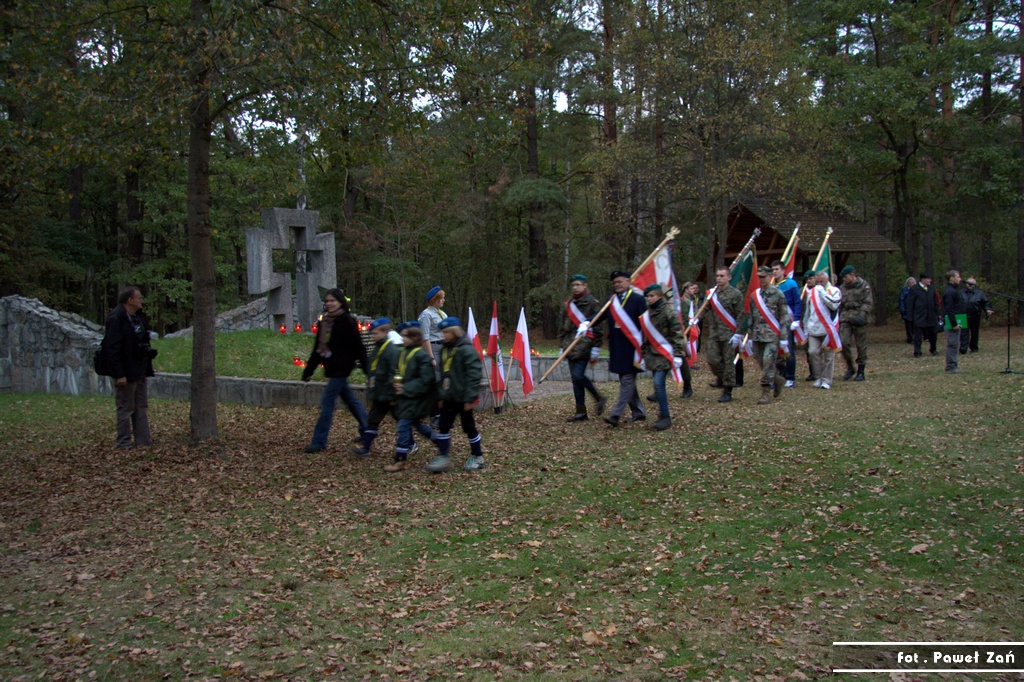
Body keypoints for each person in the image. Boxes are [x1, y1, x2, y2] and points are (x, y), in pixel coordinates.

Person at [301, 289, 369, 453]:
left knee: (327, 404)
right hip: (331, 368)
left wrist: (368, 370)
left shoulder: (347, 321)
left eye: (333, 301)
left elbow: (358, 347)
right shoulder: (325, 322)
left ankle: (318, 442)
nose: (330, 304)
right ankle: (368, 429)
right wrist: (309, 370)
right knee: (350, 401)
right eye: (328, 301)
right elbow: (318, 349)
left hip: (342, 368)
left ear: (340, 302)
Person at [425, 317, 487, 472]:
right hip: (449, 397)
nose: (443, 335)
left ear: (455, 332)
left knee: (469, 427)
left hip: (463, 397)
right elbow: (443, 375)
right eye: (442, 332)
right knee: (444, 426)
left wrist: (469, 398)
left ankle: (478, 456)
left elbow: (474, 375)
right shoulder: (445, 349)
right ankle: (443, 457)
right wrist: (441, 396)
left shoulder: (466, 350)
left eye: (446, 332)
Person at [102, 286, 157, 449]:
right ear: (130, 300)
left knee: (141, 406)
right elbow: (112, 348)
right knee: (126, 408)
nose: (141, 301)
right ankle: (124, 442)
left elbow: (141, 340)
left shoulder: (138, 317)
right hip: (126, 371)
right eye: (138, 298)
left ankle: (143, 440)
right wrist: (119, 374)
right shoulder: (116, 318)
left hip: (140, 369)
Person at [385, 322, 437, 472]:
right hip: (406, 398)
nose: (402, 339)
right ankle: (441, 442)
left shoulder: (421, 356)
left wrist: (406, 388)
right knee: (418, 426)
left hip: (416, 399)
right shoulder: (404, 353)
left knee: (403, 426)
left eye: (405, 336)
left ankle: (400, 459)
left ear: (414, 338)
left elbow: (426, 380)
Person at [599, 270, 647, 426]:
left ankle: (615, 414)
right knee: (626, 380)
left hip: (632, 348)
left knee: (627, 380)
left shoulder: (638, 299)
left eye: (619, 281)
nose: (617, 284)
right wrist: (587, 323)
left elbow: (646, 323)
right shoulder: (611, 300)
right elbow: (600, 316)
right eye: (615, 282)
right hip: (617, 347)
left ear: (628, 281)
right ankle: (638, 412)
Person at [352, 318, 402, 458]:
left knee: (402, 420)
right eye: (372, 334)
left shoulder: (391, 350)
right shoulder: (378, 348)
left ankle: (412, 443)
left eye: (376, 333)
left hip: (388, 393)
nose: (373, 336)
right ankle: (366, 448)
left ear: (385, 332)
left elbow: (393, 373)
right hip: (380, 393)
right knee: (373, 420)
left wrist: (393, 394)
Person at [560, 274, 606, 422]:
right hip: (570, 345)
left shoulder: (592, 303)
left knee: (578, 375)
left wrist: (596, 348)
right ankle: (580, 412)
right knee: (575, 380)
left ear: (585, 285)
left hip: (585, 345)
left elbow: (598, 327)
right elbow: (563, 326)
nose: (575, 287)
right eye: (573, 285)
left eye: (578, 285)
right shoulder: (569, 304)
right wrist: (561, 345)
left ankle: (598, 397)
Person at [640, 284, 686, 430]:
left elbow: (677, 333)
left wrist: (678, 354)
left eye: (652, 296)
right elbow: (645, 336)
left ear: (660, 296)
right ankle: (662, 414)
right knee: (657, 384)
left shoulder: (668, 311)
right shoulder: (647, 313)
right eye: (647, 296)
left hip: (665, 353)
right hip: (652, 355)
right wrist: (642, 355)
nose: (649, 299)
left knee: (658, 383)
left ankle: (665, 417)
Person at [700, 266, 747, 403]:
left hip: (729, 334)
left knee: (728, 363)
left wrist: (738, 334)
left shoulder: (735, 294)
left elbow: (740, 315)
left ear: (729, 277)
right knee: (712, 359)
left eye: (722, 276)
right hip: (714, 333)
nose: (719, 278)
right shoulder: (712, 294)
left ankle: (727, 390)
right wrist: (695, 319)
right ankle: (722, 378)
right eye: (717, 276)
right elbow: (704, 309)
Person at [749, 265, 792, 404]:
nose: (761, 279)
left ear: (770, 277)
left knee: (768, 363)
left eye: (764, 277)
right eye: (759, 277)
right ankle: (778, 380)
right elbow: (751, 316)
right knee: (762, 363)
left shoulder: (778, 294)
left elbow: (784, 316)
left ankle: (765, 392)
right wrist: (749, 335)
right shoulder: (755, 295)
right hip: (757, 335)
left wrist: (784, 338)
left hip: (772, 335)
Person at [804, 270, 842, 390]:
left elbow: (834, 305)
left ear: (827, 280)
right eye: (818, 281)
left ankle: (826, 380)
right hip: (813, 328)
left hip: (828, 328)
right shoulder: (811, 292)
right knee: (812, 352)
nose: (820, 284)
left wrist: (823, 294)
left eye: (822, 281)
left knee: (829, 356)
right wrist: (805, 327)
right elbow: (808, 311)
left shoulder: (834, 291)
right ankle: (818, 377)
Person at [838, 264, 873, 382]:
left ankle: (861, 370)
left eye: (846, 277)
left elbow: (868, 302)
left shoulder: (864, 286)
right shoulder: (842, 288)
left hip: (859, 318)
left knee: (861, 345)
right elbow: (839, 303)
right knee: (843, 342)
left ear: (852, 275)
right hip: (845, 318)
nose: (844, 279)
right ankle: (850, 366)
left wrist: (862, 315)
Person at [771, 260, 803, 388]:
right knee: (775, 352)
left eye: (777, 269)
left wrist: (796, 319)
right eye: (773, 269)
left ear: (783, 271)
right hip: (774, 323)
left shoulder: (791, 284)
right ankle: (779, 375)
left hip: (787, 321)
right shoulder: (771, 285)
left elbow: (797, 302)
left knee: (788, 350)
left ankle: (790, 377)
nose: (774, 272)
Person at [906, 273, 939, 358]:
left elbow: (935, 301)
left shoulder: (932, 288)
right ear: (923, 279)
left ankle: (933, 349)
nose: (930, 280)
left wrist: (938, 313)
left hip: (931, 315)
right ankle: (917, 351)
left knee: (933, 333)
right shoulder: (914, 289)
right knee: (918, 335)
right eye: (928, 279)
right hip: (919, 315)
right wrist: (910, 316)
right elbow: (910, 303)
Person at [961, 277, 994, 353]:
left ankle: (974, 347)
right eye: (968, 283)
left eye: (972, 284)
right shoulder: (961, 292)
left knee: (974, 332)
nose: (970, 285)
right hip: (963, 315)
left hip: (975, 315)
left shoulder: (979, 293)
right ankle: (963, 348)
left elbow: (985, 302)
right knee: (963, 332)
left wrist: (987, 309)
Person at [941, 270, 965, 374]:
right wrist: (954, 324)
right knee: (952, 344)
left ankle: (953, 365)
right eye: (958, 277)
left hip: (955, 320)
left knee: (955, 344)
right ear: (951, 278)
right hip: (951, 322)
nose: (960, 279)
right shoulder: (950, 292)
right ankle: (951, 367)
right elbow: (949, 309)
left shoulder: (954, 290)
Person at [898, 277, 917, 344]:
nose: (911, 284)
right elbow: (901, 300)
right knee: (908, 325)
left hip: (915, 310)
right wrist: (902, 310)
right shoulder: (904, 290)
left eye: (912, 282)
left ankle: (915, 337)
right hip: (907, 310)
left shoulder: (917, 290)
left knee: (915, 325)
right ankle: (910, 338)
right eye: (910, 282)